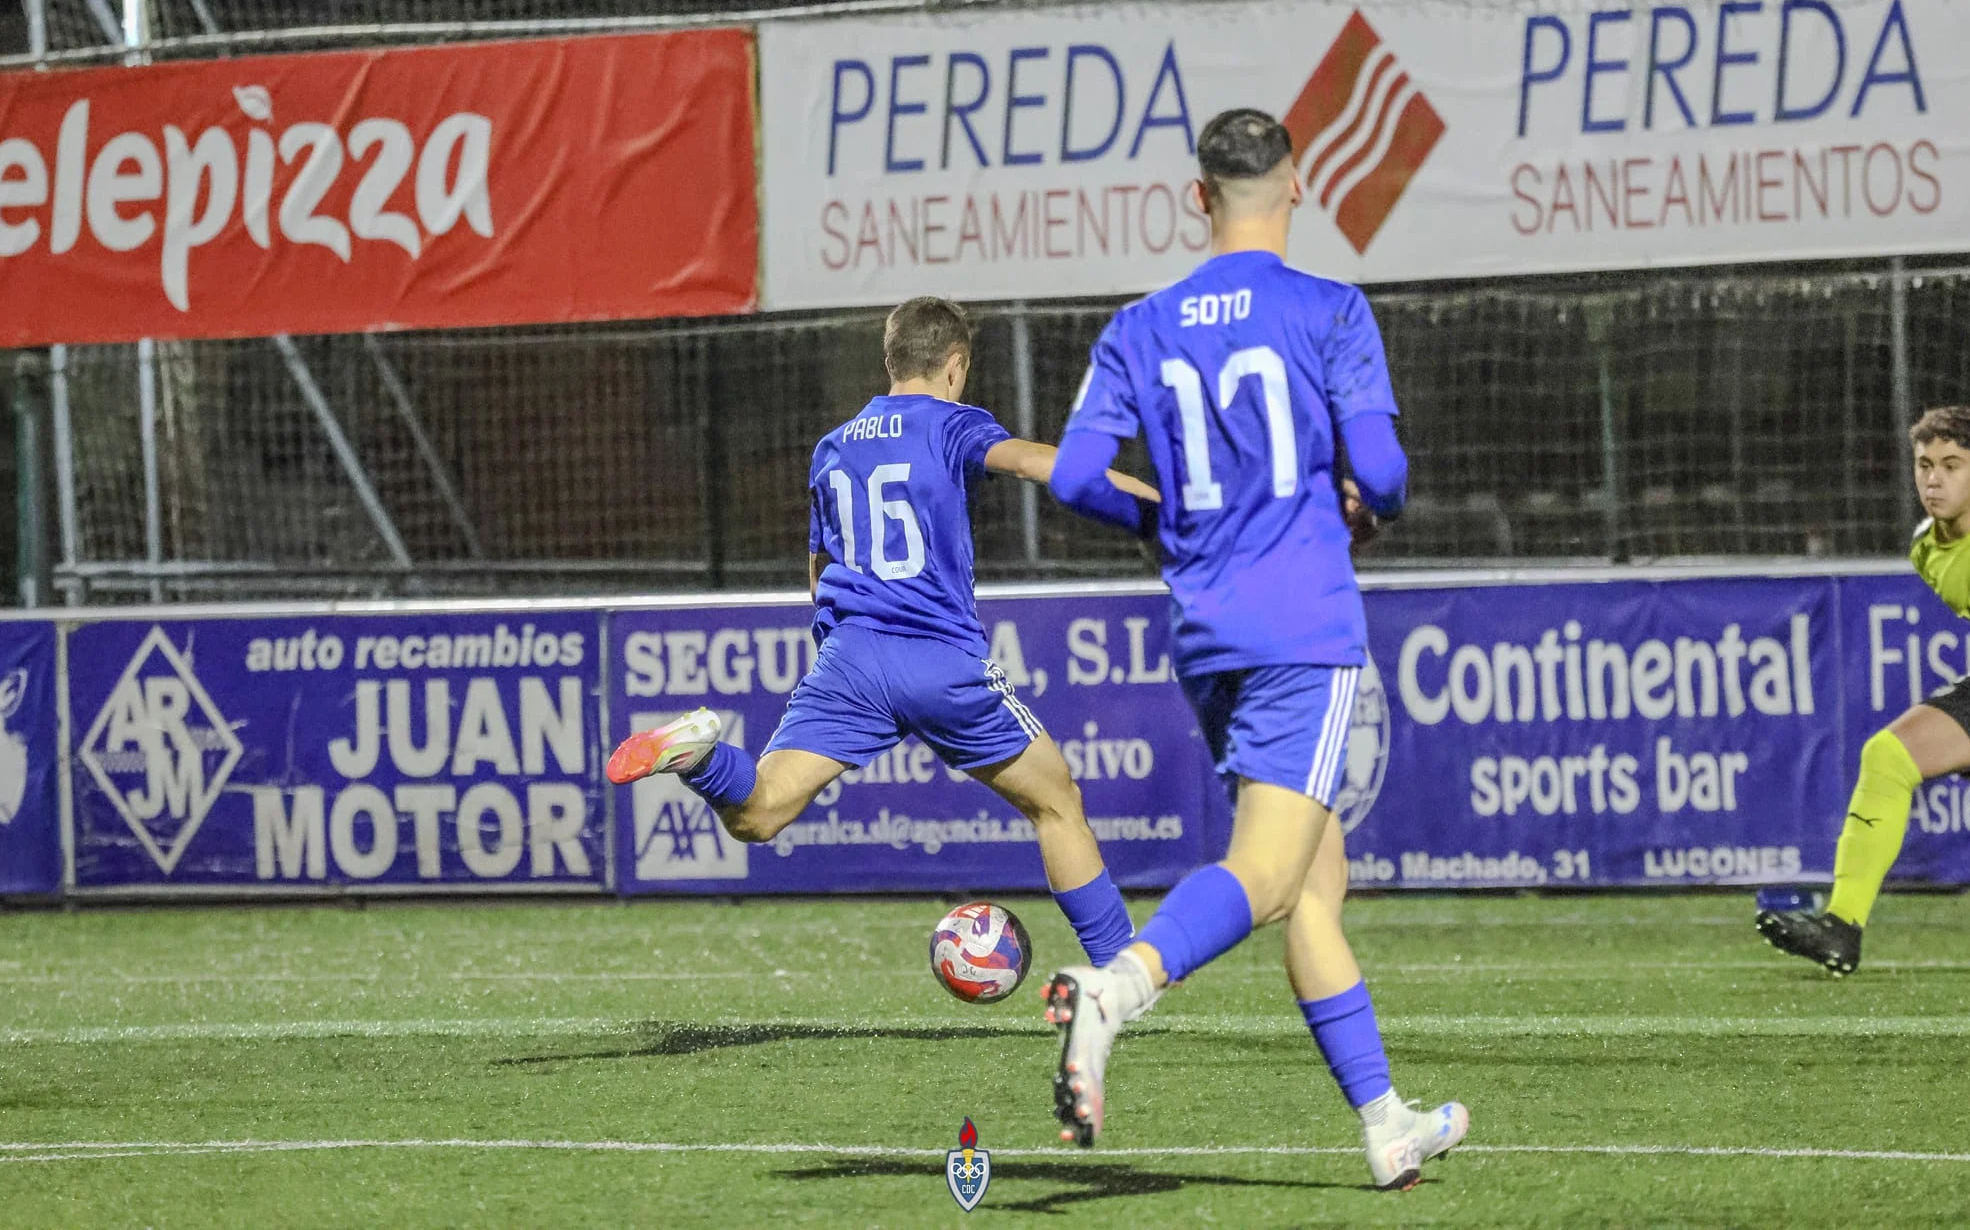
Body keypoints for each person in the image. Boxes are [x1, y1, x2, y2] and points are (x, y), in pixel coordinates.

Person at [1039, 108, 1467, 1190]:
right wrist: (1366, 499)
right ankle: (1115, 988)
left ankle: (1383, 1123)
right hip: (1301, 623)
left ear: (1198, 196)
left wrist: (1166, 524)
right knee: (1268, 871)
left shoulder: (1138, 325)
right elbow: (1388, 470)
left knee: (1313, 882)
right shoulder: (1328, 309)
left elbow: (1078, 473)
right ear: (1297, 184)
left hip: (1207, 633)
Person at [606, 295, 1159, 971]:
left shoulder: (832, 448)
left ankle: (696, 754)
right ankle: (1125, 971)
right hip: (939, 657)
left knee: (759, 812)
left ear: (890, 359)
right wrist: (1157, 508)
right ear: (955, 365)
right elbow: (1038, 464)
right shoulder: (952, 424)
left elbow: (819, 570)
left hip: (852, 657)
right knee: (1057, 802)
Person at [1759, 405, 1970, 975]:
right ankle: (1842, 926)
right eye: (1924, 465)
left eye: (1952, 465)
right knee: (1888, 756)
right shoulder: (1927, 549)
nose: (1933, 480)